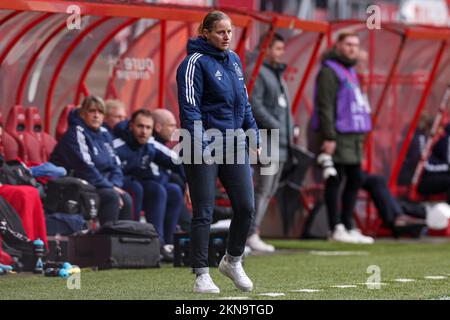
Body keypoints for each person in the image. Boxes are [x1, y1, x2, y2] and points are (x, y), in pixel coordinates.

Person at [176, 10, 260, 293]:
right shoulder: (193, 63)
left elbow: (244, 103)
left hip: (234, 143)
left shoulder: (234, 61)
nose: (227, 37)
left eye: (230, 32)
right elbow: (190, 109)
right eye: (221, 32)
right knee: (204, 211)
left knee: (247, 207)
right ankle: (201, 274)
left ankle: (232, 260)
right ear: (206, 33)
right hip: (202, 143)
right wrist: (200, 146)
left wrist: (254, 135)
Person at [311, 32, 374, 244]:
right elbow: (325, 106)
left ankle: (348, 225)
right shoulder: (329, 71)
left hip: (354, 136)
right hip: (337, 134)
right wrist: (329, 136)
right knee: (334, 180)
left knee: (355, 179)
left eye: (356, 45)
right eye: (348, 44)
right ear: (338, 45)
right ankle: (335, 227)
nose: (352, 48)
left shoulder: (351, 71)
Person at [113, 109, 184, 262]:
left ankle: (163, 244)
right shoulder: (117, 144)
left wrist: (191, 182)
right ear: (131, 126)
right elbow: (108, 167)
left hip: (135, 182)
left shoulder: (150, 143)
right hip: (116, 184)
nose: (144, 132)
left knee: (171, 190)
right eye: (140, 126)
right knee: (136, 189)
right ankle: (134, 242)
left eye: (148, 128)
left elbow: (177, 161)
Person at [50, 96, 133, 225]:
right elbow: (85, 168)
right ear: (82, 114)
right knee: (111, 197)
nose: (96, 116)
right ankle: (107, 241)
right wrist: (110, 187)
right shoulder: (76, 133)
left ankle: (124, 241)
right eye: (92, 111)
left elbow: (115, 165)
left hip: (100, 184)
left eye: (100, 112)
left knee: (126, 198)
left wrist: (115, 185)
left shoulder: (104, 134)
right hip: (75, 184)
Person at [245, 32, 293, 253]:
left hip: (280, 140)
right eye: (277, 48)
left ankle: (253, 231)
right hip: (266, 139)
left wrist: (289, 129)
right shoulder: (258, 72)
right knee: (263, 187)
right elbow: (254, 105)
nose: (281, 53)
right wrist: (277, 126)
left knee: (269, 188)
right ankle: (249, 233)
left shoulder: (275, 73)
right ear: (265, 48)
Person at [152, 108, 192, 233]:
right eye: (171, 126)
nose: (175, 130)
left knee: (175, 184)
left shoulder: (160, 146)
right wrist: (188, 182)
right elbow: (177, 162)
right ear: (158, 127)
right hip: (154, 188)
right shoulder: (152, 144)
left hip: (162, 188)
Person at [418, 123, 450, 202]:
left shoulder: (431, 140)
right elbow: (427, 166)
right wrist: (447, 167)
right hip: (422, 180)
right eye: (439, 128)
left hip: (432, 175)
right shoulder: (422, 139)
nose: (441, 133)